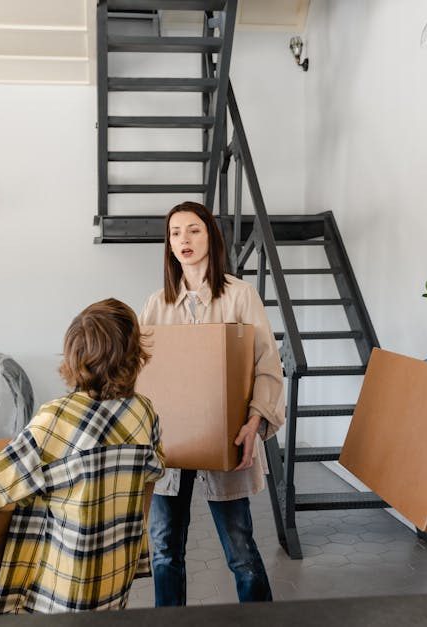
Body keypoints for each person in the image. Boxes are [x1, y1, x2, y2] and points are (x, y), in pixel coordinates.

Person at [0, 298, 165, 614]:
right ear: (134, 354)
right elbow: (151, 479)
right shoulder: (143, 413)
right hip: (115, 575)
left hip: (62, 584)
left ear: (75, 355)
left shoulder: (58, 419)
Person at [139, 201, 285, 605]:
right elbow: (143, 377)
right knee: (165, 550)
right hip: (170, 443)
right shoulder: (156, 305)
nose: (183, 240)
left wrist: (255, 422)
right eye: (175, 233)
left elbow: (267, 365)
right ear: (168, 245)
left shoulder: (241, 296)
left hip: (227, 437)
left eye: (193, 230)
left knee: (241, 551)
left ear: (211, 237)